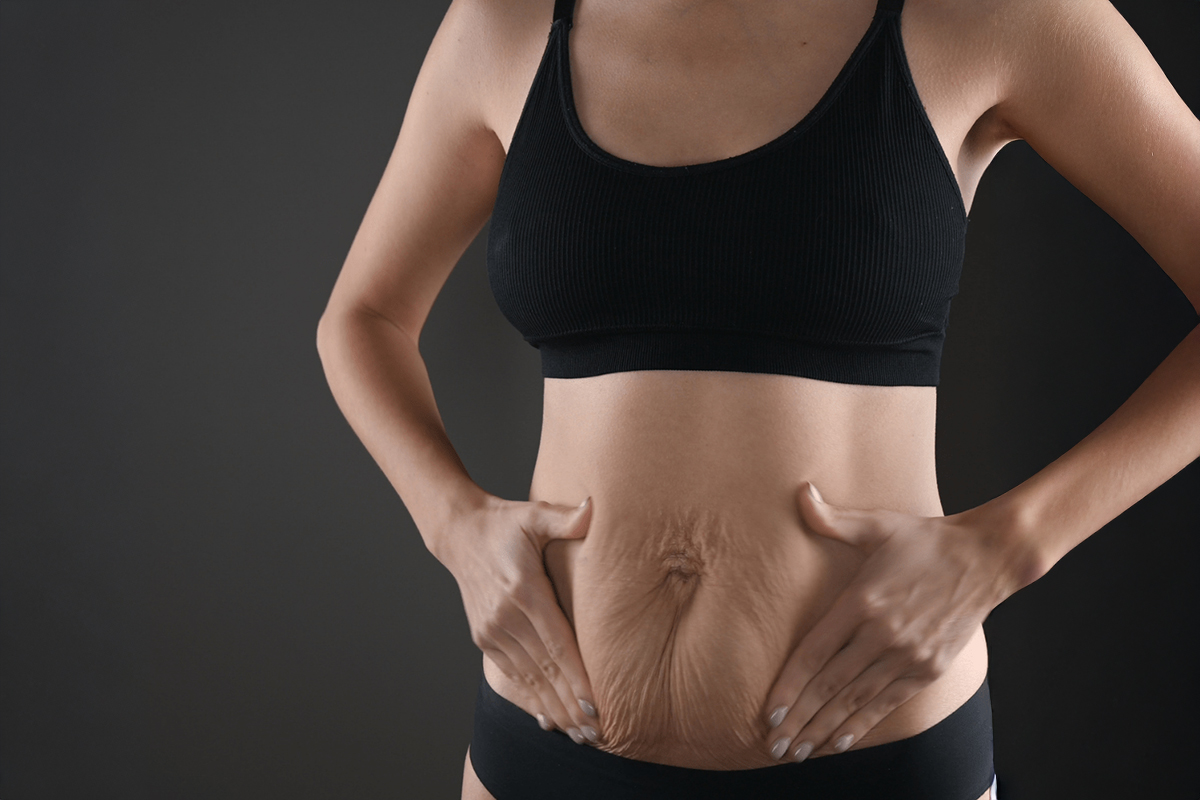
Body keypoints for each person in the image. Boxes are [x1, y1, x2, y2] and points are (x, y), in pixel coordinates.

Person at [315, 0, 1200, 796]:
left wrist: (1010, 547)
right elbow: (363, 317)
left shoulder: (991, 13)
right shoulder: (505, 23)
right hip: (545, 746)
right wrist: (452, 524)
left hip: (874, 750)